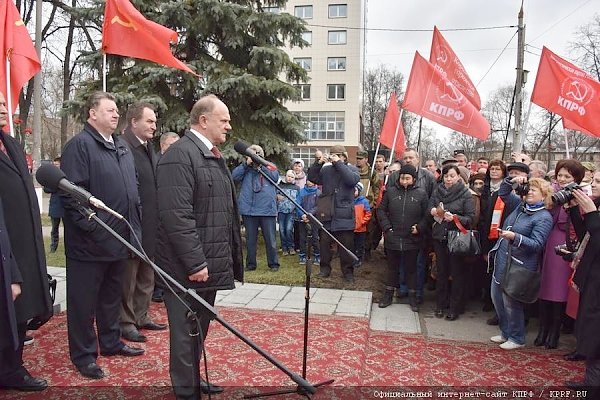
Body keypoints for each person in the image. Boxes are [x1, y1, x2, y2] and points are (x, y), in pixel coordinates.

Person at [156, 94, 243, 398]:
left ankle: (193, 377)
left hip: (208, 263)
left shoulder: (211, 155)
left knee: (199, 328)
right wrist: (195, 263)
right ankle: (185, 390)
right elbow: (176, 216)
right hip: (185, 268)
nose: (229, 126)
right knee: (184, 332)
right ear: (203, 120)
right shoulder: (180, 156)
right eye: (224, 120)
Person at [61, 91, 144, 380]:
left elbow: (131, 188)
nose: (116, 113)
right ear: (91, 114)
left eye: (117, 109)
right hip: (90, 244)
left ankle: (110, 342)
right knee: (84, 304)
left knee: (111, 297)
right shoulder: (79, 146)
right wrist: (96, 230)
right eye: (109, 109)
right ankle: (84, 355)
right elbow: (72, 197)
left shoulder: (121, 146)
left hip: (120, 239)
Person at [0, 92, 51, 392]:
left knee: (20, 312)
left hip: (24, 244)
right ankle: (9, 369)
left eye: (5, 105)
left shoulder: (11, 144)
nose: (4, 109)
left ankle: (12, 366)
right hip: (4, 249)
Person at [119, 102, 167, 343]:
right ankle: (125, 322)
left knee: (147, 273)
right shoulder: (122, 146)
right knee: (129, 277)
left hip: (150, 223)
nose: (154, 126)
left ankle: (141, 314)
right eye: (149, 121)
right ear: (134, 122)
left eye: (155, 122)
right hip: (131, 223)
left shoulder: (149, 148)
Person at [489, 176, 553, 350]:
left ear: (544, 195)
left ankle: (517, 338)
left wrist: (515, 237)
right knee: (497, 299)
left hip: (520, 265)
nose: (529, 192)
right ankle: (505, 332)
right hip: (503, 260)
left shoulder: (544, 217)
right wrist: (511, 179)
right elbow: (503, 193)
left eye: (534, 190)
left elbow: (537, 244)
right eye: (529, 189)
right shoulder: (520, 206)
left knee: (511, 303)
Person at [536, 159, 585, 349]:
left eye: (567, 176)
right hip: (548, 241)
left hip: (565, 242)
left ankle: (554, 332)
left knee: (558, 290)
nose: (562, 179)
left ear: (576, 179)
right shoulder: (552, 192)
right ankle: (542, 329)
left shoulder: (580, 196)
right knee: (544, 287)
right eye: (560, 175)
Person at [564, 179, 600, 395]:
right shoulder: (596, 204)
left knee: (596, 337)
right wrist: (576, 211)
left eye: (598, 181)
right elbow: (588, 234)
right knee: (591, 333)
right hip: (591, 279)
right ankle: (590, 382)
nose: (592, 184)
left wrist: (593, 215)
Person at [377, 164, 429, 311]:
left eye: (407, 178)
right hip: (393, 236)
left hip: (411, 238)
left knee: (411, 269)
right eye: (402, 178)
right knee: (392, 268)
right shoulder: (391, 192)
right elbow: (381, 210)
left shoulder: (421, 193)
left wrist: (419, 227)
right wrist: (387, 228)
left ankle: (413, 298)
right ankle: (388, 295)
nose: (404, 181)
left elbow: (427, 215)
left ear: (414, 179)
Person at [429, 165, 475, 321]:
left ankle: (455, 307)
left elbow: (470, 218)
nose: (448, 179)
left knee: (456, 274)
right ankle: (440, 305)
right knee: (441, 272)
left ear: (458, 177)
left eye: (452, 176)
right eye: (446, 176)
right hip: (439, 237)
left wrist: (455, 217)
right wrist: (433, 211)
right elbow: (430, 207)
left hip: (456, 239)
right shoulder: (437, 190)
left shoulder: (465, 194)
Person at [308, 145, 360, 283]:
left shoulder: (352, 169)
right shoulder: (326, 170)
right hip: (327, 213)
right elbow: (313, 177)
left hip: (344, 214)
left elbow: (351, 180)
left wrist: (339, 164)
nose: (334, 157)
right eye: (333, 155)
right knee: (324, 244)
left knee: (346, 246)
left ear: (344, 156)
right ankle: (325, 269)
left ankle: (348, 272)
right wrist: (318, 163)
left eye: (338, 155)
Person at [232, 144, 280, 271]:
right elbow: (234, 177)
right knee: (250, 240)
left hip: (267, 210)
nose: (253, 156)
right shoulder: (245, 168)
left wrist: (261, 164)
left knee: (270, 240)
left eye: (256, 153)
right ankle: (251, 264)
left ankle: (273, 264)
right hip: (249, 210)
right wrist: (246, 164)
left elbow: (275, 178)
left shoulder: (268, 165)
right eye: (251, 154)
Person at [479, 160, 508, 323]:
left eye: (498, 169)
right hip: (486, 230)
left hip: (501, 231)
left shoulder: (506, 190)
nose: (494, 171)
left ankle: (497, 306)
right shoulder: (485, 188)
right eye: (492, 169)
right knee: (487, 268)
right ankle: (487, 299)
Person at [152, 131, 180, 303]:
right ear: (162, 146)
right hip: (158, 216)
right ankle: (157, 289)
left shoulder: (179, 162)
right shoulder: (156, 162)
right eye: (171, 145)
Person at [296, 179, 321, 265]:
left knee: (315, 238)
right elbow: (297, 204)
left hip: (314, 219)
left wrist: (309, 215)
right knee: (302, 238)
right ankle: (302, 255)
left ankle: (317, 255)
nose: (310, 182)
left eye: (311, 180)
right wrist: (302, 214)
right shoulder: (301, 191)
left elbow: (318, 206)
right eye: (308, 180)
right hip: (302, 219)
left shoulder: (318, 192)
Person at [277, 170, 300, 255]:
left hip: (291, 212)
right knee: (282, 230)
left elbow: (298, 199)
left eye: (292, 177)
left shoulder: (296, 188)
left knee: (289, 229)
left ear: (294, 178)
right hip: (281, 211)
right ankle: (284, 248)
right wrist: (276, 196)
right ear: (285, 176)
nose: (290, 178)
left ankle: (291, 247)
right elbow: (274, 196)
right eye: (288, 176)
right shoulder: (279, 186)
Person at [353, 182, 372, 267]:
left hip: (361, 229)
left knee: (359, 245)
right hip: (351, 228)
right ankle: (352, 258)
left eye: (355, 190)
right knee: (352, 244)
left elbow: (368, 214)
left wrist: (362, 222)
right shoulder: (349, 201)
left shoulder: (364, 202)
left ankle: (359, 258)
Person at [48, 157, 64, 253]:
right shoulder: (50, 176)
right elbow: (47, 188)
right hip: (55, 206)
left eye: (57, 164)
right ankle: (53, 247)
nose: (56, 166)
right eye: (54, 165)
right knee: (54, 229)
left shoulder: (65, 175)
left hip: (65, 206)